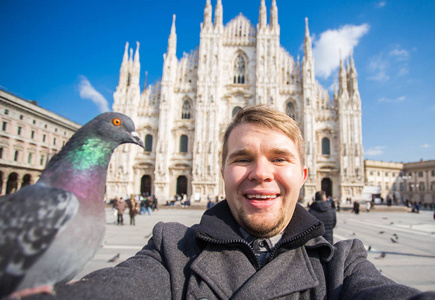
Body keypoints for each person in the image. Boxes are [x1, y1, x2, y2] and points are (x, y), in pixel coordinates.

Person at [26, 105, 433, 299]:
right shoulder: (172, 252)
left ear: (304, 176)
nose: (261, 172)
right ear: (221, 171)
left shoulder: (341, 265)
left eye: (279, 158)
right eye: (242, 158)